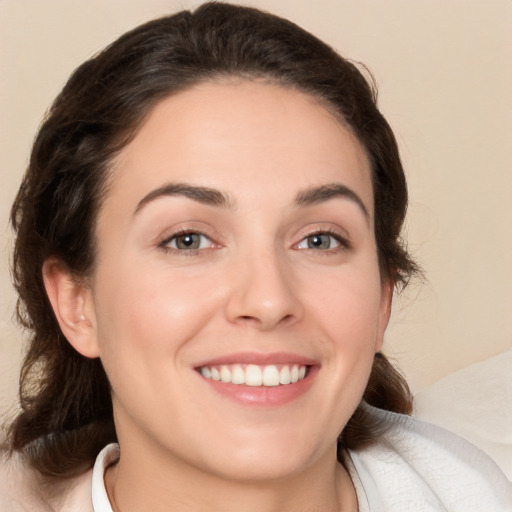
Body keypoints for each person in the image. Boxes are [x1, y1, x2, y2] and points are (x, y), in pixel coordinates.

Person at [1, 3, 510, 511]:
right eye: (188, 240)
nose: (268, 301)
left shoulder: (472, 493)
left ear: (382, 299)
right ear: (76, 302)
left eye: (320, 240)